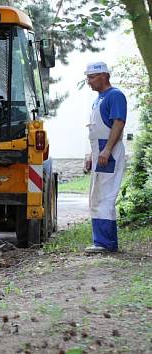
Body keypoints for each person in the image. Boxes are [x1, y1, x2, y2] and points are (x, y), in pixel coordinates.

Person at [82, 62, 127, 253]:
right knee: (96, 196)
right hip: (99, 151)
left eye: (91, 77)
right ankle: (101, 241)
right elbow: (96, 129)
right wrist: (91, 154)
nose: (89, 82)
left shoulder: (115, 95)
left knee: (105, 196)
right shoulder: (98, 99)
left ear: (103, 76)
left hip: (108, 153)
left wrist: (107, 149)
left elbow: (118, 123)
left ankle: (105, 243)